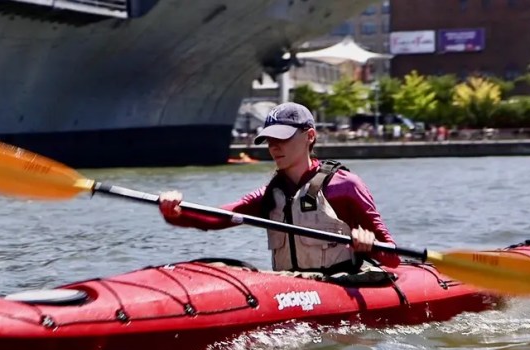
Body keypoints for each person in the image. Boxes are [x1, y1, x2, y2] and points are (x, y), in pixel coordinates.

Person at [159, 102, 399, 274]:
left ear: (310, 136)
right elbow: (215, 219)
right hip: (290, 291)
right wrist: (175, 212)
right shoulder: (269, 196)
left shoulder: (344, 186)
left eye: (282, 138)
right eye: (270, 140)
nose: (274, 147)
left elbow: (392, 257)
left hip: (338, 289)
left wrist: (368, 244)